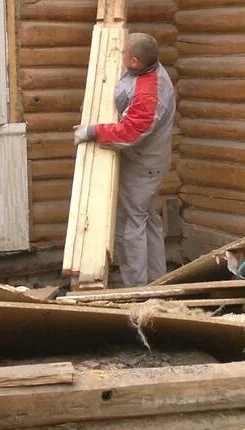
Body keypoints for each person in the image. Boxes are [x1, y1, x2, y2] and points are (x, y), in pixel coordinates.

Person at [74, 32, 177, 287]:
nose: (119, 56)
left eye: (123, 54)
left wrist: (92, 131)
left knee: (132, 222)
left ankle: (136, 288)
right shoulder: (145, 69)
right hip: (150, 161)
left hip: (144, 165)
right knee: (146, 216)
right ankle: (157, 281)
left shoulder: (149, 93)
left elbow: (131, 132)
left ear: (134, 62)